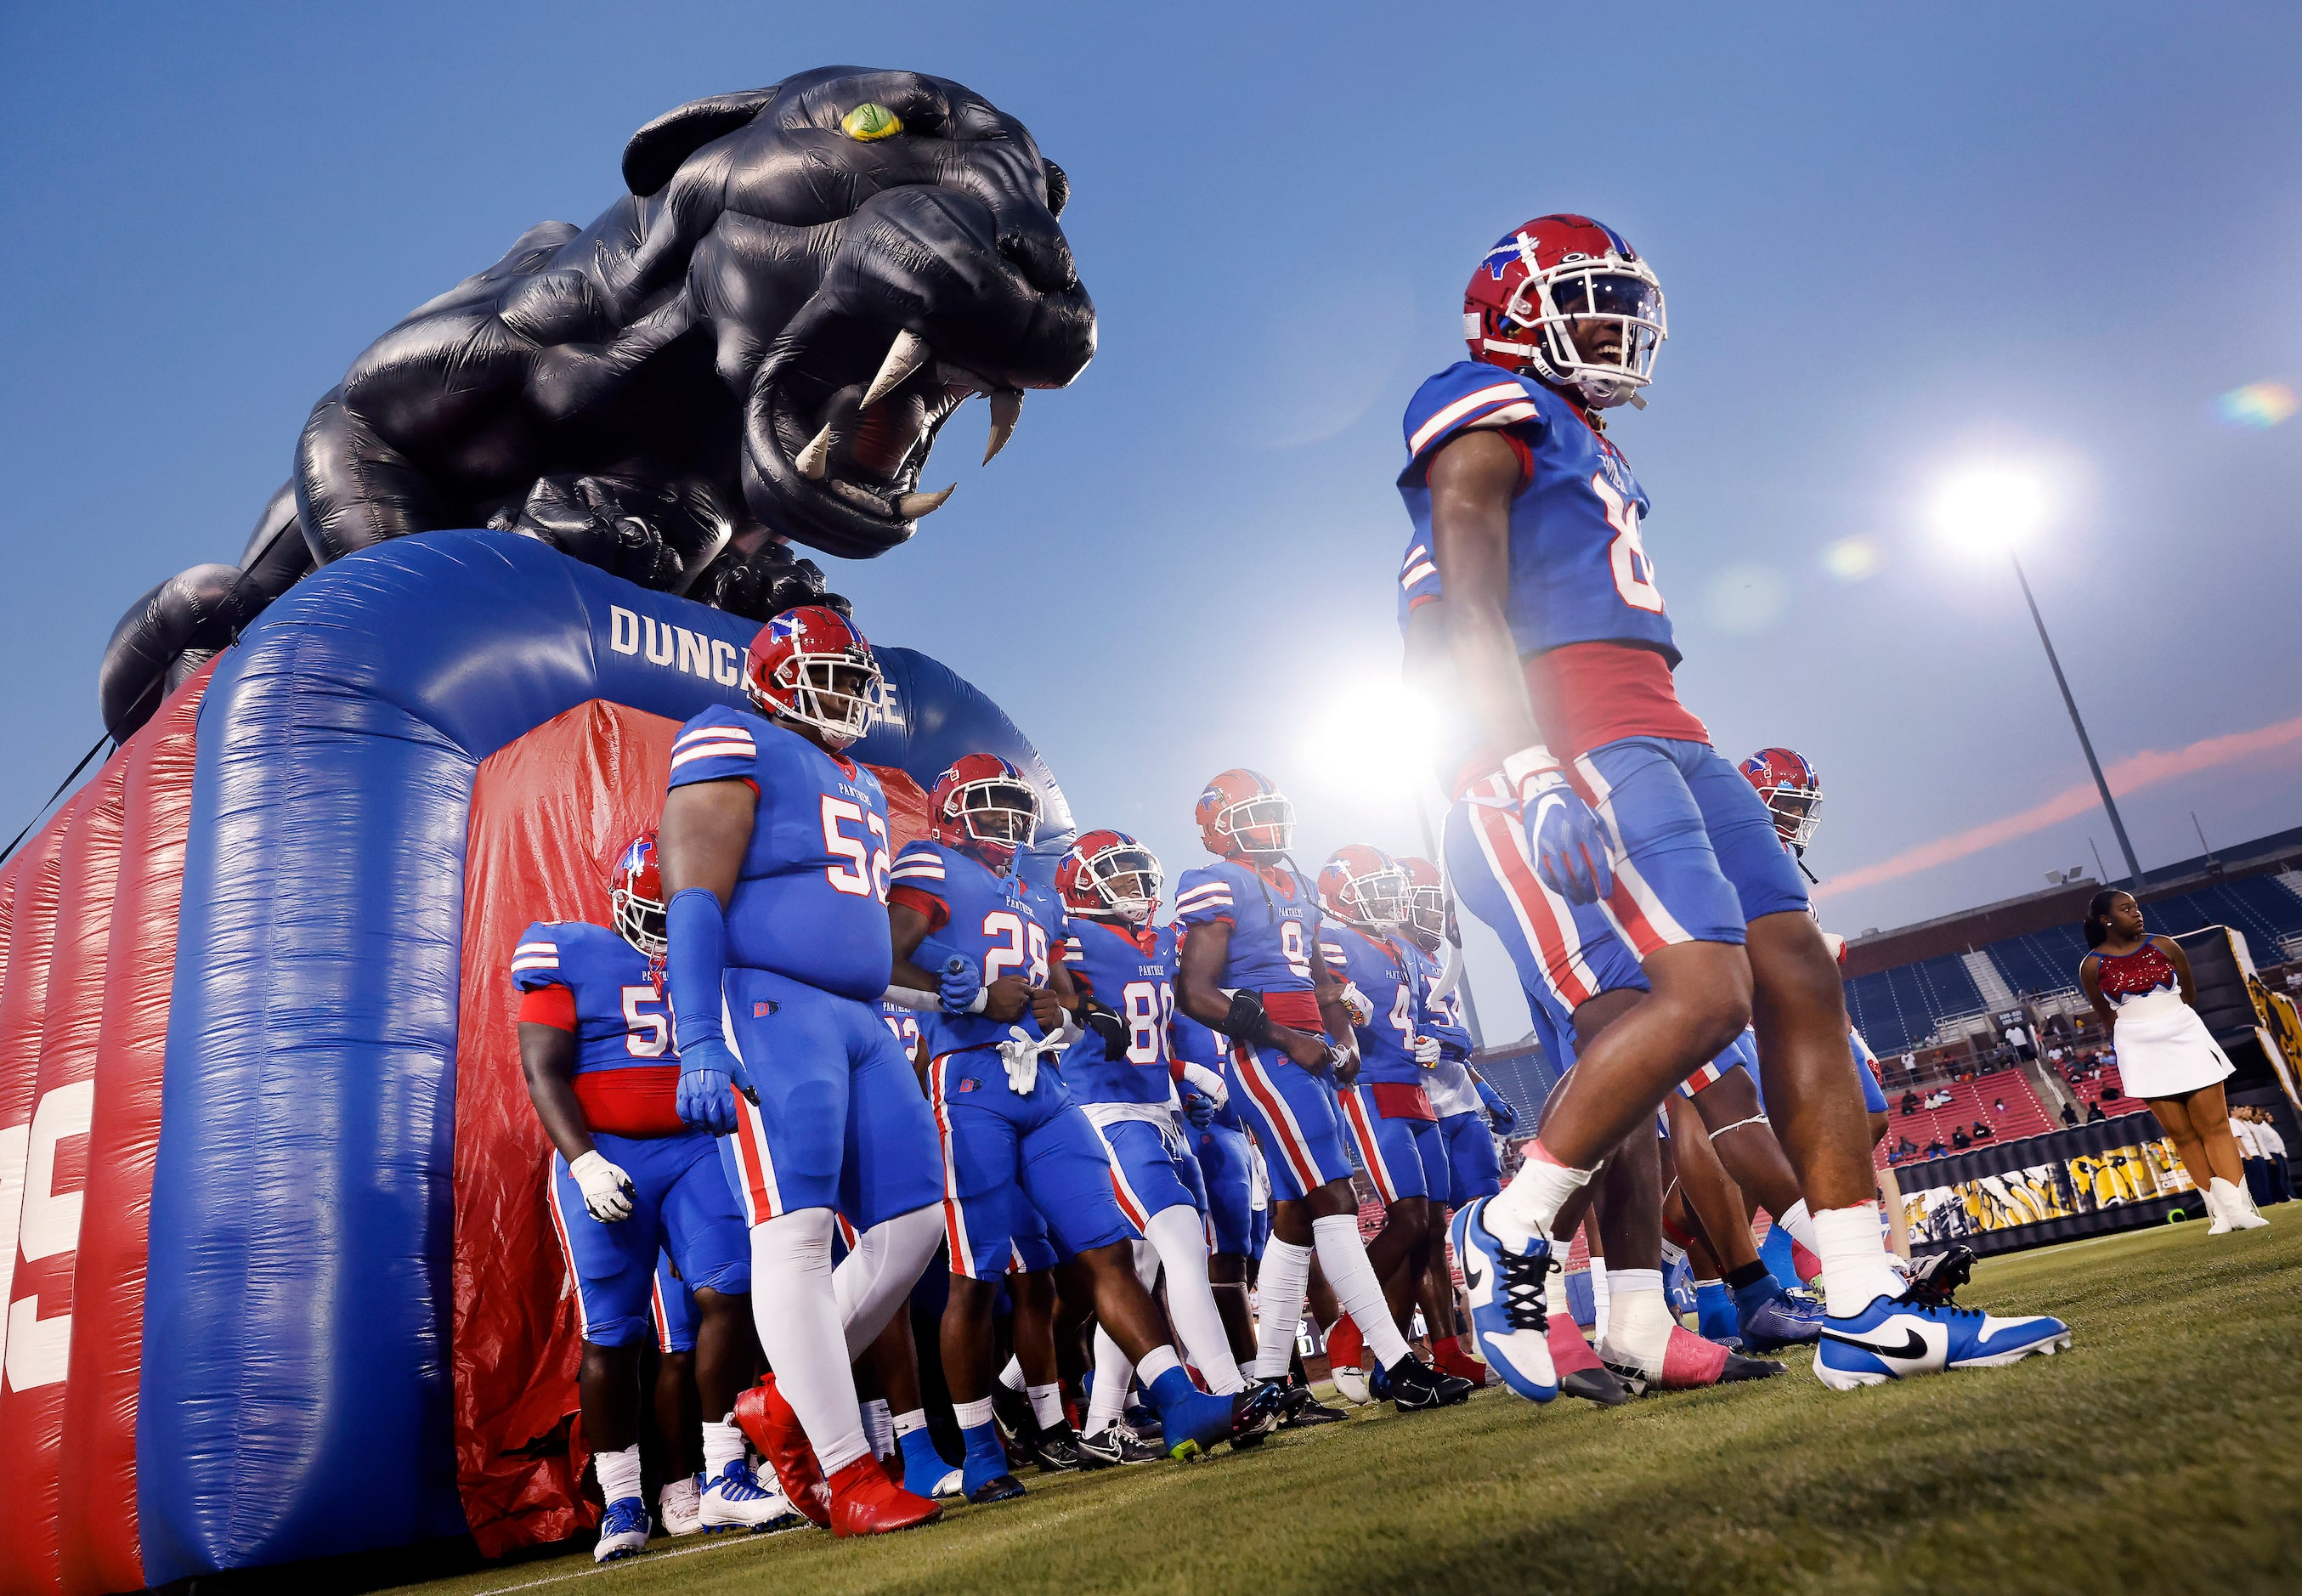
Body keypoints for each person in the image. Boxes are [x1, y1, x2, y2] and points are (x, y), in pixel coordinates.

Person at [1397, 214, 2067, 1393]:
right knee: (1700, 998)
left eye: (1620, 301)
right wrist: (1521, 760)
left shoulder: (1590, 437)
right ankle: (1512, 1224)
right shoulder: (1479, 400)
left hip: (1669, 722)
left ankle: (1863, 1299)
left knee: (1798, 971)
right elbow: (1463, 579)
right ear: (1512, 309)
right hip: (1583, 728)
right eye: (1587, 299)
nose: (1612, 324)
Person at [886, 761, 1280, 1500]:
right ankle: (979, 1449)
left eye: (1014, 807)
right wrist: (959, 995)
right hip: (966, 1081)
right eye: (988, 806)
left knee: (1107, 1253)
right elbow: (879, 957)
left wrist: (1056, 1017)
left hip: (1047, 1086)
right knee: (976, 1277)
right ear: (949, 811)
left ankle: (1178, 1402)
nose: (1005, 820)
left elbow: (1065, 1008)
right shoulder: (929, 862)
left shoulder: (1035, 896)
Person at [657, 605, 948, 1536]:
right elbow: (694, 894)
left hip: (861, 1017)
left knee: (915, 1227)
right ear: (777, 675)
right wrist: (698, 1032)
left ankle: (785, 1404)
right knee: (796, 1233)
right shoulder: (729, 734)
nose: (848, 696)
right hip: (769, 1006)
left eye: (856, 679)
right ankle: (844, 1470)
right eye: (832, 676)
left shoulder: (855, 778)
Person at [513, 831, 794, 1559]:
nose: (666, 928)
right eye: (652, 908)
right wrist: (582, 1163)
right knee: (613, 1333)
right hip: (608, 1158)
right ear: (620, 897)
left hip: (697, 1148)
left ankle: (727, 1474)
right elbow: (543, 1071)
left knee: (728, 1296)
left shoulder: (717, 956)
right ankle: (622, 1502)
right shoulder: (565, 950)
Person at [1172, 770, 1461, 1413]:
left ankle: (1271, 1380)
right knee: (1333, 1199)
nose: (1270, 824)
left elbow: (1322, 979)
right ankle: (1393, 1364)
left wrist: (1344, 1042)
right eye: (1254, 813)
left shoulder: (1297, 885)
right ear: (1220, 825)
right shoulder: (1217, 882)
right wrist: (1283, 1037)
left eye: (1274, 811)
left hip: (1309, 1053)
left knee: (1295, 1218)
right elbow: (1194, 994)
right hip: (1263, 1058)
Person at [1048, 828, 1277, 1445]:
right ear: (1080, 881)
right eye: (1117, 876)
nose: (1134, 887)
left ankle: (1100, 1424)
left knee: (1144, 1267)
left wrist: (1192, 1072)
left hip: (1164, 1110)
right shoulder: (1064, 935)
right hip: (1105, 1111)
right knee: (1181, 1246)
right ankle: (1228, 1390)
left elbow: (1166, 1025)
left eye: (1137, 874)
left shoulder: (1159, 939)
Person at [1312, 845, 1474, 1409]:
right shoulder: (1329, 937)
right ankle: (1348, 1332)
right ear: (1341, 894)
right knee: (1405, 1219)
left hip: (1415, 1089)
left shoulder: (1400, 946)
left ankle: (1419, 1359)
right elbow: (1306, 992)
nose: (1388, 898)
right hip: (1371, 1088)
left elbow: (1435, 1021)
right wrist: (1331, 994)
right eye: (1374, 889)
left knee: (1429, 1224)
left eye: (1390, 887)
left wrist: (1443, 1042)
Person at [2078, 890, 2266, 1234]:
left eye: (2136, 907)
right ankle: (2219, 1215)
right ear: (2106, 920)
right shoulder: (2091, 965)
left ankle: (2240, 1209)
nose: (2137, 913)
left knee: (2215, 1126)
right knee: (2182, 1135)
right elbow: (2107, 1015)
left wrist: (2165, 1020)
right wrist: (2142, 1027)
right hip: (2138, 1046)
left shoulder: (2165, 945)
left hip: (2183, 1032)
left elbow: (2189, 994)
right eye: (2126, 909)